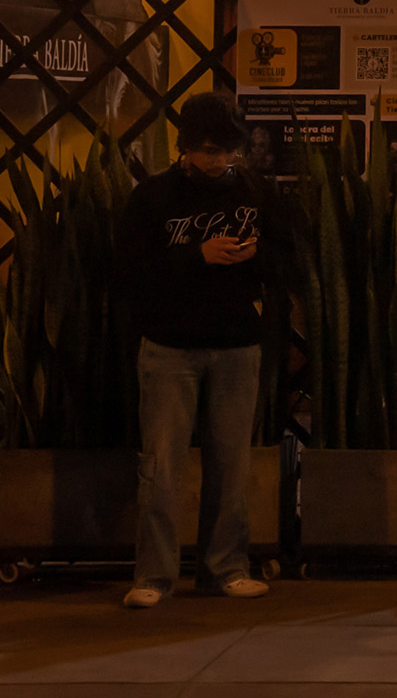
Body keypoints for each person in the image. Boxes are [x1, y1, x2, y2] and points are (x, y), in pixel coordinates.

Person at [117, 92, 272, 608]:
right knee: (161, 467)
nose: (218, 160)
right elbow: (129, 273)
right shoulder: (154, 197)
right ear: (185, 146)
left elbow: (289, 257)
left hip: (237, 343)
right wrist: (198, 255)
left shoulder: (254, 191)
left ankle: (225, 569)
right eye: (208, 150)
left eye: (227, 150)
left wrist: (255, 258)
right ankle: (153, 577)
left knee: (231, 466)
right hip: (170, 345)